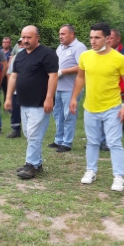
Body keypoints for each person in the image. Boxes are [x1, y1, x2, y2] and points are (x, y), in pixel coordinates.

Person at [70, 22, 124, 192]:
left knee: (114, 142)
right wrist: (74, 98)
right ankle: (91, 171)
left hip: (112, 107)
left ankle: (118, 176)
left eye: (97, 37)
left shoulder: (119, 58)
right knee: (92, 141)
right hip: (90, 107)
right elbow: (80, 78)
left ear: (107, 38)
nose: (93, 41)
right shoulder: (85, 56)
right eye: (91, 37)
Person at [4, 26, 58, 180]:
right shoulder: (20, 56)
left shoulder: (47, 54)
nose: (25, 40)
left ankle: (30, 165)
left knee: (34, 135)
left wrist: (49, 98)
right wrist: (8, 97)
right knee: (29, 134)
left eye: (29, 37)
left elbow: (53, 77)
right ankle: (37, 162)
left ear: (37, 37)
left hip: (40, 102)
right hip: (24, 101)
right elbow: (13, 77)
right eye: (23, 37)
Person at [50, 24, 88, 152]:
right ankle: (58, 140)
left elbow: (82, 66)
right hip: (58, 87)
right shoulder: (60, 48)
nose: (60, 36)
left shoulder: (79, 47)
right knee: (58, 115)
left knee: (68, 115)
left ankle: (67, 142)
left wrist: (63, 71)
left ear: (71, 34)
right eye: (60, 34)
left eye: (63, 34)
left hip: (71, 88)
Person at [5, 43, 24, 138]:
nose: (22, 46)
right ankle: (15, 130)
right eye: (20, 44)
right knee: (15, 111)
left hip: (29, 91)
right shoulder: (14, 58)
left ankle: (29, 131)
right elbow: (9, 74)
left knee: (28, 111)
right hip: (16, 90)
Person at [0, 37, 12, 102]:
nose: (5, 44)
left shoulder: (12, 52)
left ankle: (6, 105)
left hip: (8, 74)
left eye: (7, 42)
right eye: (4, 42)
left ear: (10, 43)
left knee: (7, 90)